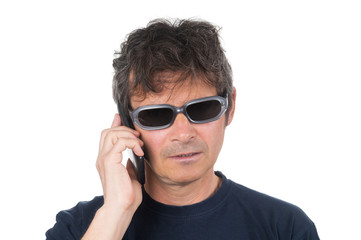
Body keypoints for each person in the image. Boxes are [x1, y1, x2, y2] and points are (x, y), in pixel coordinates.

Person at [46, 18, 319, 240]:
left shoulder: (286, 228)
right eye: (156, 116)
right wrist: (116, 213)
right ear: (128, 126)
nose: (183, 133)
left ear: (230, 107)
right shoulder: (80, 228)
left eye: (202, 109)